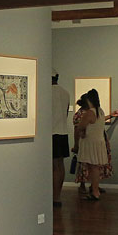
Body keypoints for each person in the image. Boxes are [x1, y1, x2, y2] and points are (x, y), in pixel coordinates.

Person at [75, 89, 109, 200]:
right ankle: (95, 190)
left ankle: (95, 192)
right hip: (99, 142)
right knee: (96, 167)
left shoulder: (90, 113)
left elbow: (80, 126)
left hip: (90, 143)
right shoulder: (101, 111)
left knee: (92, 167)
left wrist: (81, 132)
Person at [51, 72, 71, 207]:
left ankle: (51, 196)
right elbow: (66, 114)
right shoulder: (66, 93)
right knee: (59, 165)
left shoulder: (45, 92)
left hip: (50, 133)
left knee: (52, 166)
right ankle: (57, 196)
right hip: (62, 132)